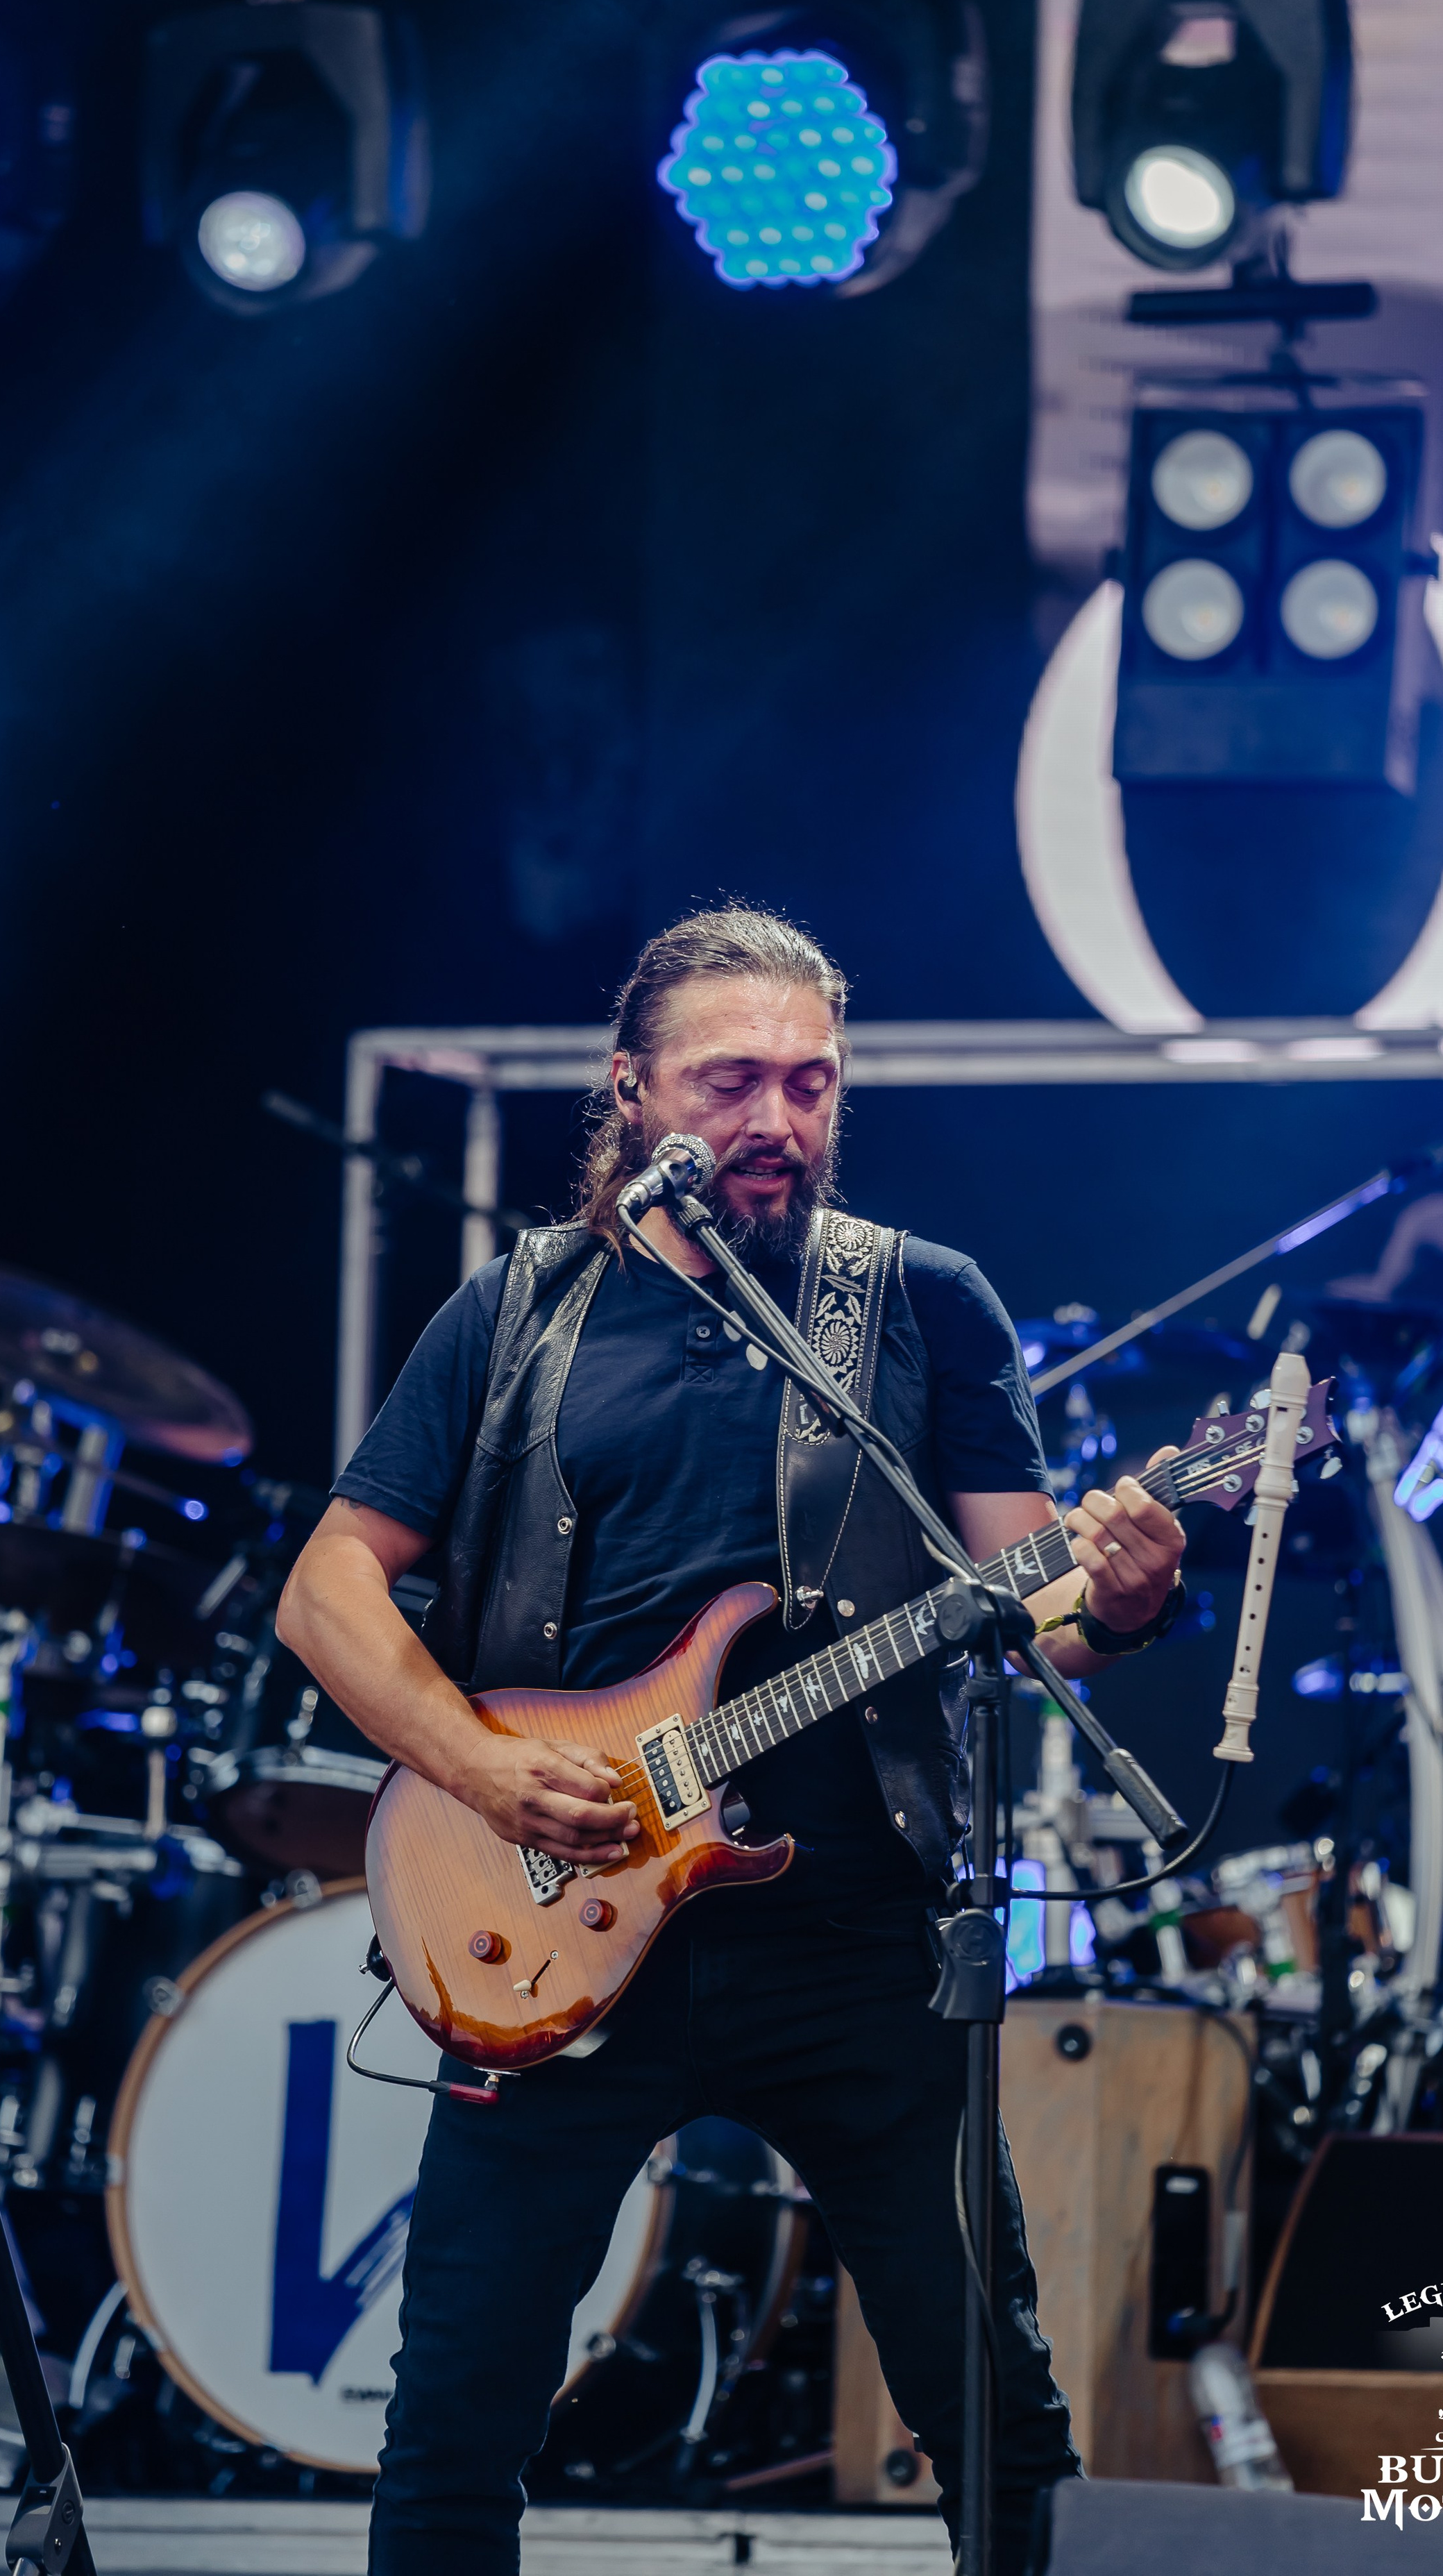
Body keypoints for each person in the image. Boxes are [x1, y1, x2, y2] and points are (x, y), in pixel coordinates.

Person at [278, 906, 1188, 2576]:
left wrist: (1117, 1600)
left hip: (854, 1943)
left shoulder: (921, 1304)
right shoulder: (517, 1314)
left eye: (811, 1084)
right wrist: (480, 1770)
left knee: (996, 2422)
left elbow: (1033, 1600)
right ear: (629, 1092)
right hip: (551, 1919)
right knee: (455, 2424)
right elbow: (328, 1591)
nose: (777, 1120)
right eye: (733, 1080)